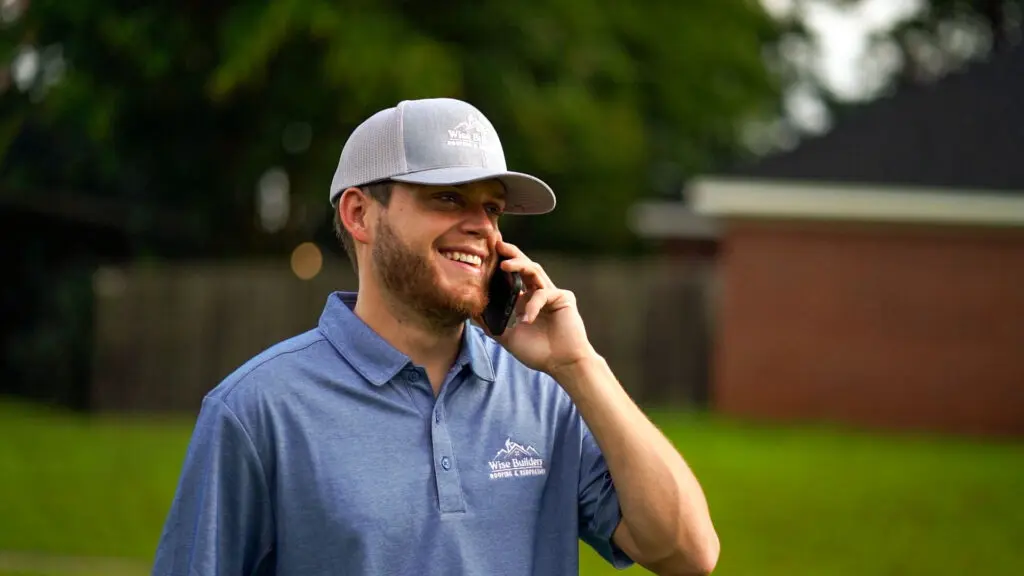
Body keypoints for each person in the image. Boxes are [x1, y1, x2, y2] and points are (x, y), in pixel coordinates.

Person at [151, 97, 719, 576]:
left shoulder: (551, 398)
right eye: (448, 197)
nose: (482, 227)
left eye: (492, 207)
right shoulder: (256, 412)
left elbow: (689, 552)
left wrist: (580, 365)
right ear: (359, 214)